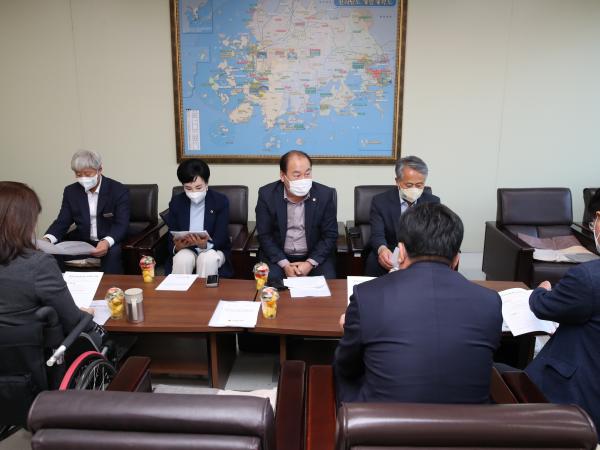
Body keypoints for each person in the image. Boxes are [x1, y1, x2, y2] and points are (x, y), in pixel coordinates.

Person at [334, 202, 502, 405]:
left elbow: (346, 365)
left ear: (401, 252)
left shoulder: (367, 296)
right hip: (469, 423)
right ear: (457, 258)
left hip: (383, 422)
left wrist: (351, 329)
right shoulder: (490, 301)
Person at [525, 190, 600, 439]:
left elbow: (545, 307)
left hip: (576, 399)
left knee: (498, 374)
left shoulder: (588, 277)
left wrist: (540, 291)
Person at [0, 181, 101, 341]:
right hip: (35, 351)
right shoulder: (38, 264)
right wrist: (86, 317)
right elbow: (73, 321)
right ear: (23, 223)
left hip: (13, 350)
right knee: (95, 336)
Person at [255, 150, 338, 281]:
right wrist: (285, 264)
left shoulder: (324, 195)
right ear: (283, 176)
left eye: (307, 174)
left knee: (327, 282)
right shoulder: (267, 194)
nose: (303, 180)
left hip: (314, 255)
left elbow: (330, 235)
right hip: (278, 256)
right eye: (297, 175)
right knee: (272, 282)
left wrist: (309, 263)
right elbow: (265, 235)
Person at [44, 150, 129, 274]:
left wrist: (106, 242)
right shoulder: (71, 191)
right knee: (52, 251)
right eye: (78, 174)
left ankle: (109, 286)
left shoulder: (118, 190)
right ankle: (61, 284)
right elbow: (62, 221)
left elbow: (121, 224)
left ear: (100, 170)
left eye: (88, 174)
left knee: (113, 253)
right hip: (83, 241)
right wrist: (47, 240)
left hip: (108, 240)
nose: (83, 178)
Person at [366, 155, 440, 276]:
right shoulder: (380, 201)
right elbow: (377, 234)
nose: (414, 189)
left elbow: (439, 234)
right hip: (391, 250)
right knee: (374, 261)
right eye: (409, 185)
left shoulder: (433, 202)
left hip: (421, 253)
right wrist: (382, 249)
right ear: (397, 182)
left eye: (419, 185)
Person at [166, 158, 232, 277]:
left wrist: (205, 245)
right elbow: (172, 234)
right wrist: (177, 247)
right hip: (187, 249)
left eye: (198, 187)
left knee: (206, 259)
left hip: (214, 249)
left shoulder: (220, 201)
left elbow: (221, 237)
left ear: (206, 183)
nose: (193, 192)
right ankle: (179, 289)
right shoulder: (176, 202)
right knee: (182, 259)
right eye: (188, 188)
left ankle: (206, 290)